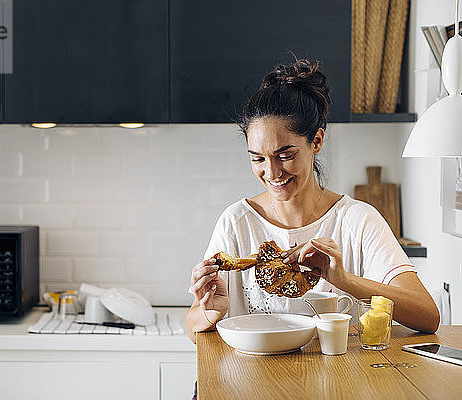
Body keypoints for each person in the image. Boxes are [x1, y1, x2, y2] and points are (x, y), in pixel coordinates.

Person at [187, 59, 440, 344]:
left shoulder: (357, 220)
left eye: (285, 155)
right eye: (257, 158)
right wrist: (212, 313)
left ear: (316, 141)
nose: (271, 173)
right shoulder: (236, 222)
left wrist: (344, 280)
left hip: (338, 383)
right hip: (252, 382)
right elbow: (193, 327)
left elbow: (428, 316)